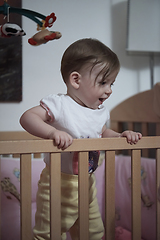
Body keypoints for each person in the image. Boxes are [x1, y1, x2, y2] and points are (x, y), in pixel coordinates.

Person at [20, 38, 142, 240]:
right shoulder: (60, 105)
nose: (109, 89)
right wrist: (52, 133)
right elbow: (27, 117)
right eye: (103, 82)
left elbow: (102, 133)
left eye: (111, 83)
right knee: (49, 233)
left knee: (92, 232)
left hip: (87, 185)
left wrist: (121, 136)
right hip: (57, 185)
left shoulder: (99, 112)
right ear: (76, 80)